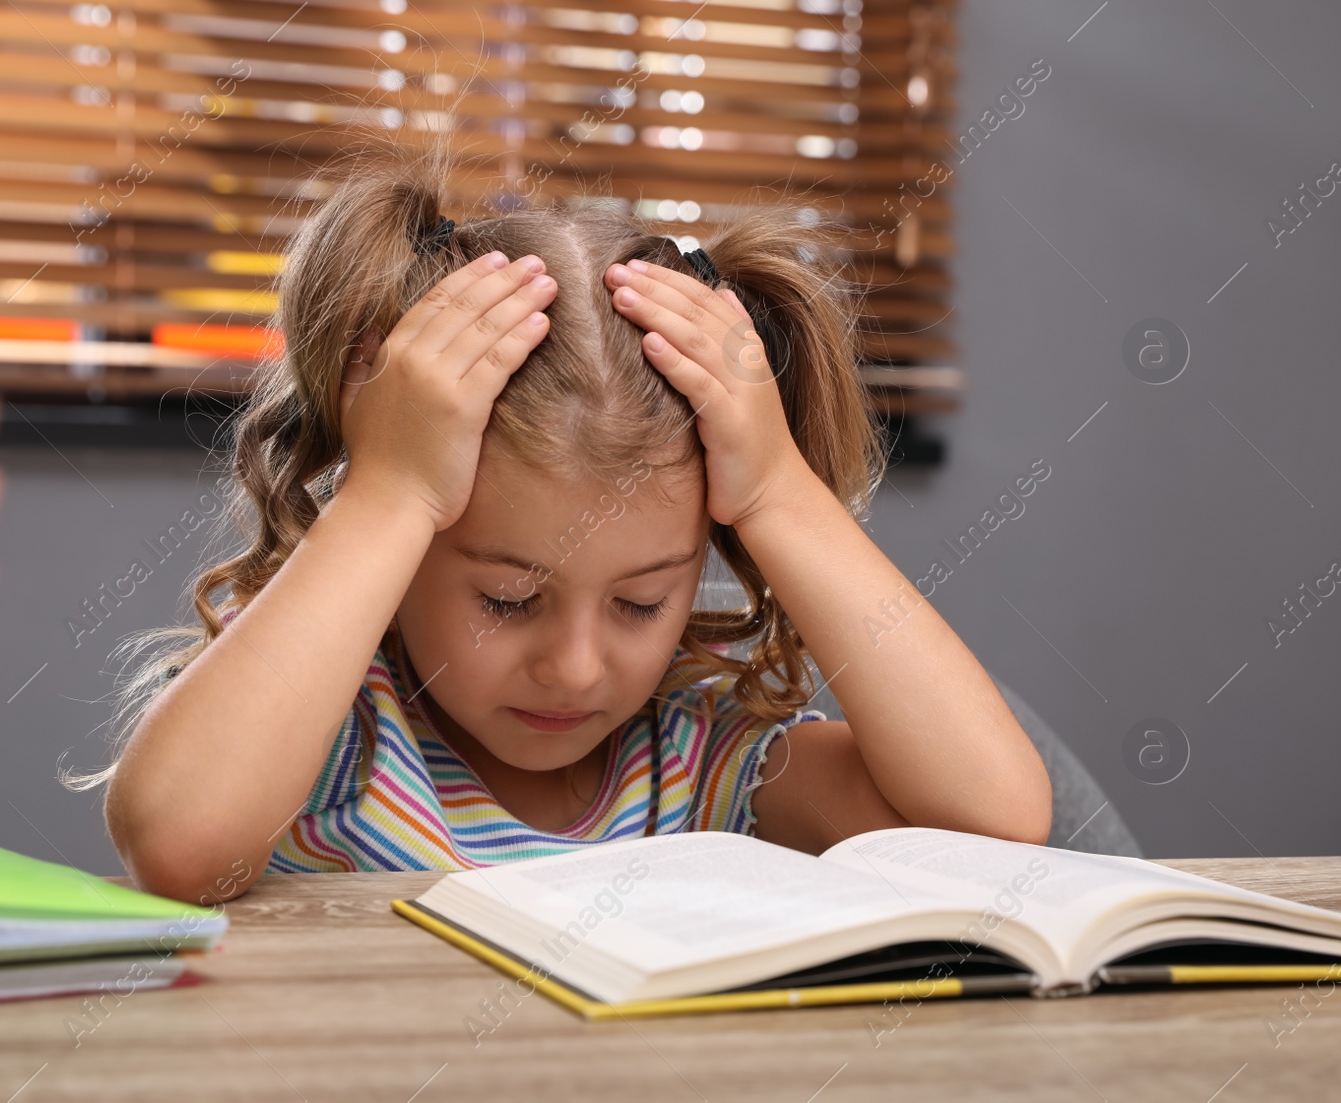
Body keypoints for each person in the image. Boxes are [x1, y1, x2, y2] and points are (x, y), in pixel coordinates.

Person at [67, 135, 1051, 905]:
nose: (577, 666)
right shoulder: (333, 726)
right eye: (508, 596)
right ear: (405, 546)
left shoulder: (697, 749)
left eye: (641, 602)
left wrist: (778, 494)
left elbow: (994, 824)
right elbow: (177, 841)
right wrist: (387, 491)